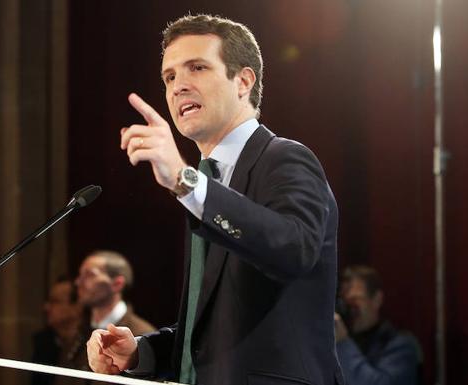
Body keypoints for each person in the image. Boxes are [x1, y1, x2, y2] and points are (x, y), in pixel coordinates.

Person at [86, 14, 343, 385]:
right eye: (170, 77)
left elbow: (294, 249)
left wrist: (185, 181)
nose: (178, 87)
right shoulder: (207, 183)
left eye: (197, 68)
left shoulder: (284, 159)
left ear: (243, 81)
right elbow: (212, 330)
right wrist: (142, 352)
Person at [334, 265, 421, 385]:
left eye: (355, 299)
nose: (349, 308)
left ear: (377, 299)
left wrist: (343, 343)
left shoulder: (400, 345)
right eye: (344, 301)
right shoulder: (337, 344)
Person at [75, 250, 156, 336]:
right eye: (81, 275)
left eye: (89, 275)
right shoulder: (78, 329)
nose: (78, 282)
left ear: (117, 284)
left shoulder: (141, 335)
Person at [31, 277, 84, 385]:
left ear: (77, 307)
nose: (46, 307)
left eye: (55, 301)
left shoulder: (92, 344)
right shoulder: (43, 342)